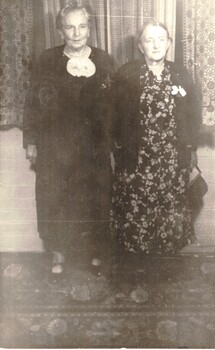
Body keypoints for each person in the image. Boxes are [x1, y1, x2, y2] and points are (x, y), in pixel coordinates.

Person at [23, 1, 115, 273]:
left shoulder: (104, 60)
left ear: (90, 29)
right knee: (56, 198)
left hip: (93, 147)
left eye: (82, 26)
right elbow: (33, 103)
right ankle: (59, 254)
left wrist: (114, 144)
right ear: (61, 31)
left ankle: (95, 253)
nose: (76, 33)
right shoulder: (47, 60)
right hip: (56, 146)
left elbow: (116, 105)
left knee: (95, 198)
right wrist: (31, 141)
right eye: (70, 27)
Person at [111, 19, 201, 257]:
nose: (156, 45)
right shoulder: (127, 73)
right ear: (140, 46)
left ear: (169, 43)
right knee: (136, 212)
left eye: (161, 39)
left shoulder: (180, 74)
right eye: (149, 40)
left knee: (169, 212)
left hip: (171, 161)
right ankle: (139, 268)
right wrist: (118, 150)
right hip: (136, 159)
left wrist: (190, 149)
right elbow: (113, 116)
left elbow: (193, 114)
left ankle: (165, 267)